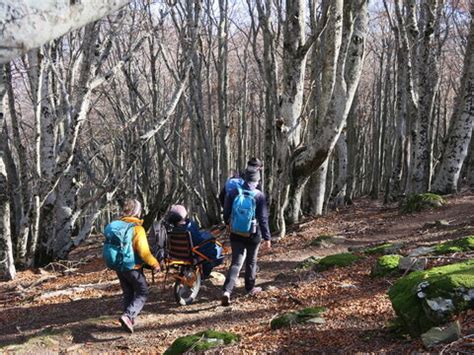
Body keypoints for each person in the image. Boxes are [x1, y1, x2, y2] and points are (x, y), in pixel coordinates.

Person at [104, 199, 160, 333]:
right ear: (136, 212)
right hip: (132, 267)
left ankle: (128, 319)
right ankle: (128, 316)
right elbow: (144, 252)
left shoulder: (114, 225)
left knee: (128, 292)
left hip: (118, 266)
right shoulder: (137, 229)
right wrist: (155, 263)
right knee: (142, 292)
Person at [221, 167, 271, 306]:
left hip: (236, 232)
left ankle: (227, 291)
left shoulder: (233, 192)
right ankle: (250, 288)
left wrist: (228, 224)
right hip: (253, 234)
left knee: (236, 262)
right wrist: (267, 237)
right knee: (251, 261)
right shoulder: (259, 195)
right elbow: (263, 218)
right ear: (257, 180)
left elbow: (226, 212)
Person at [166, 205, 224, 279]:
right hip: (193, 253)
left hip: (177, 254)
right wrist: (209, 237)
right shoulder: (189, 226)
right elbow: (198, 241)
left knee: (207, 238)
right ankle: (204, 275)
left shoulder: (171, 230)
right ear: (184, 215)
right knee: (218, 251)